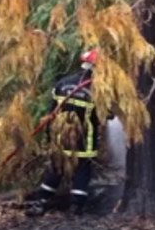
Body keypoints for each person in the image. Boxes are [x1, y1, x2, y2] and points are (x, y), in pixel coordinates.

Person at [26, 49, 101, 216]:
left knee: (56, 169)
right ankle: (76, 207)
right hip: (84, 141)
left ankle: (41, 202)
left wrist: (49, 135)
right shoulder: (98, 90)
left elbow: (52, 112)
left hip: (61, 138)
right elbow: (102, 116)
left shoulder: (62, 83)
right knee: (82, 171)